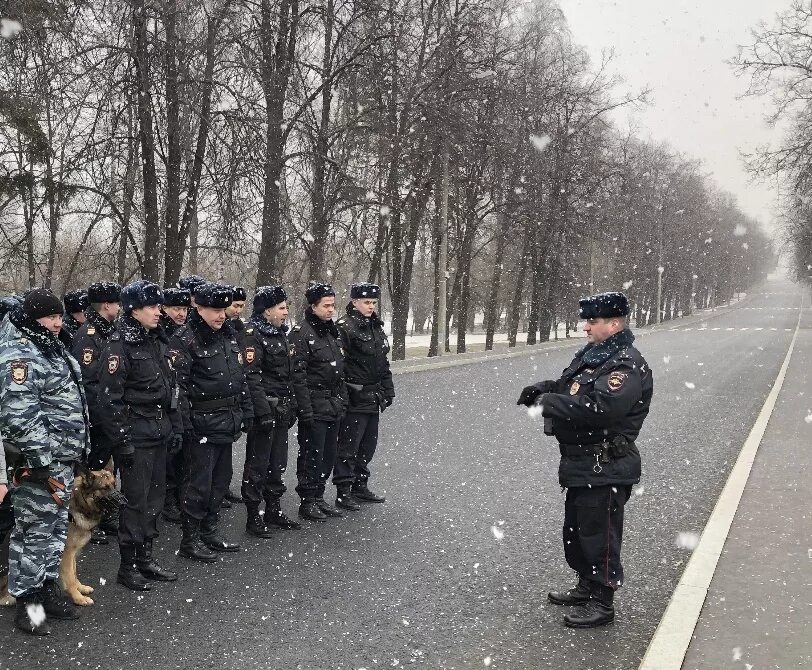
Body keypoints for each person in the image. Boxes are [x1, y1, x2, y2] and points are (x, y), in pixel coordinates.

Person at [517, 291, 653, 628]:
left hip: (605, 465)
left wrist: (550, 402)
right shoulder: (595, 355)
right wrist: (545, 387)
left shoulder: (625, 363)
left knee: (600, 537)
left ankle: (602, 602)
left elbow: (604, 408)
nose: (585, 327)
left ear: (613, 323)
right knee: (576, 533)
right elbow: (574, 388)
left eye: (592, 321)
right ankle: (586, 587)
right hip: (581, 464)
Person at [0, 289, 90, 635]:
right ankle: (30, 606)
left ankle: (47, 592)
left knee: (53, 533)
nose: (58, 323)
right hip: (38, 466)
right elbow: (19, 416)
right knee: (34, 534)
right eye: (51, 317)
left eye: (59, 317)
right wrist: (41, 463)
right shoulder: (18, 354)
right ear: (32, 318)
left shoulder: (47, 346)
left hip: (61, 461)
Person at [97, 281, 182, 591]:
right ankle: (128, 564)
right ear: (134, 310)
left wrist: (176, 427)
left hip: (158, 431)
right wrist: (122, 441)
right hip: (136, 435)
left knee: (154, 500)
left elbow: (170, 389)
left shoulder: (156, 341)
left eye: (159, 306)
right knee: (135, 502)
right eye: (152, 307)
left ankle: (145, 557)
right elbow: (109, 398)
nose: (159, 312)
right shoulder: (120, 345)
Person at [170, 283, 253, 561]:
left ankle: (210, 531)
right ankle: (190, 539)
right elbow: (178, 388)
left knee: (220, 481)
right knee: (198, 485)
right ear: (200, 308)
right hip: (201, 423)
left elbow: (241, 377)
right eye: (215, 310)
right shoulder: (185, 339)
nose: (221, 315)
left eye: (223, 309)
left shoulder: (228, 336)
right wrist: (185, 425)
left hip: (226, 422)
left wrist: (246, 411)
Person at [241, 286, 301, 536]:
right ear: (267, 311)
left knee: (277, 464)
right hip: (265, 411)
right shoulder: (253, 335)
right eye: (282, 308)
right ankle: (254, 515)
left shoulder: (279, 334)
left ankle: (273, 508)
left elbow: (287, 376)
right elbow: (251, 377)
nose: (286, 312)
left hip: (282, 409)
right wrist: (263, 412)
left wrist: (293, 404)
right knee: (258, 464)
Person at [290, 283, 347, 522]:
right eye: (326, 305)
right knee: (312, 454)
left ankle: (319, 495)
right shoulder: (302, 333)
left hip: (332, 403)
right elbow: (298, 376)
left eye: (333, 305)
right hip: (314, 404)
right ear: (313, 306)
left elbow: (340, 369)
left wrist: (342, 400)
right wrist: (305, 410)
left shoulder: (330, 331)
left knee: (328, 454)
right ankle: (308, 499)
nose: (331, 310)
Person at [333, 283, 394, 509]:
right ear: (354, 302)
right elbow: (339, 366)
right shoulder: (345, 328)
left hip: (373, 396)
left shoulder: (374, 326)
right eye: (366, 302)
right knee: (348, 447)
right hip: (355, 397)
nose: (370, 306)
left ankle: (360, 485)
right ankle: (344, 490)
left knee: (368, 446)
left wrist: (388, 389)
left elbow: (383, 362)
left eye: (373, 303)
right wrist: (344, 395)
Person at [72, 281, 122, 544]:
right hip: (97, 417)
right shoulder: (88, 336)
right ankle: (90, 517)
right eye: (117, 303)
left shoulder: (108, 332)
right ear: (106, 305)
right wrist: (102, 417)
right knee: (92, 473)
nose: (119, 307)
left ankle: (105, 514)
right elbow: (90, 383)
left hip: (108, 414)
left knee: (106, 470)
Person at [159, 287, 191, 523]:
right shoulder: (162, 334)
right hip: (169, 398)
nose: (181, 313)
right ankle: (168, 499)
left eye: (184, 309)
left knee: (183, 455)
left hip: (185, 398)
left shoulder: (187, 333)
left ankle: (179, 495)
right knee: (168, 456)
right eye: (176, 309)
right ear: (164, 309)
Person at [224, 285, 248, 506]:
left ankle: (224, 485)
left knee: (229, 443)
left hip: (236, 386)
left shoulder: (239, 328)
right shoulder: (221, 327)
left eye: (242, 306)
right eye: (235, 305)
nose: (239, 310)